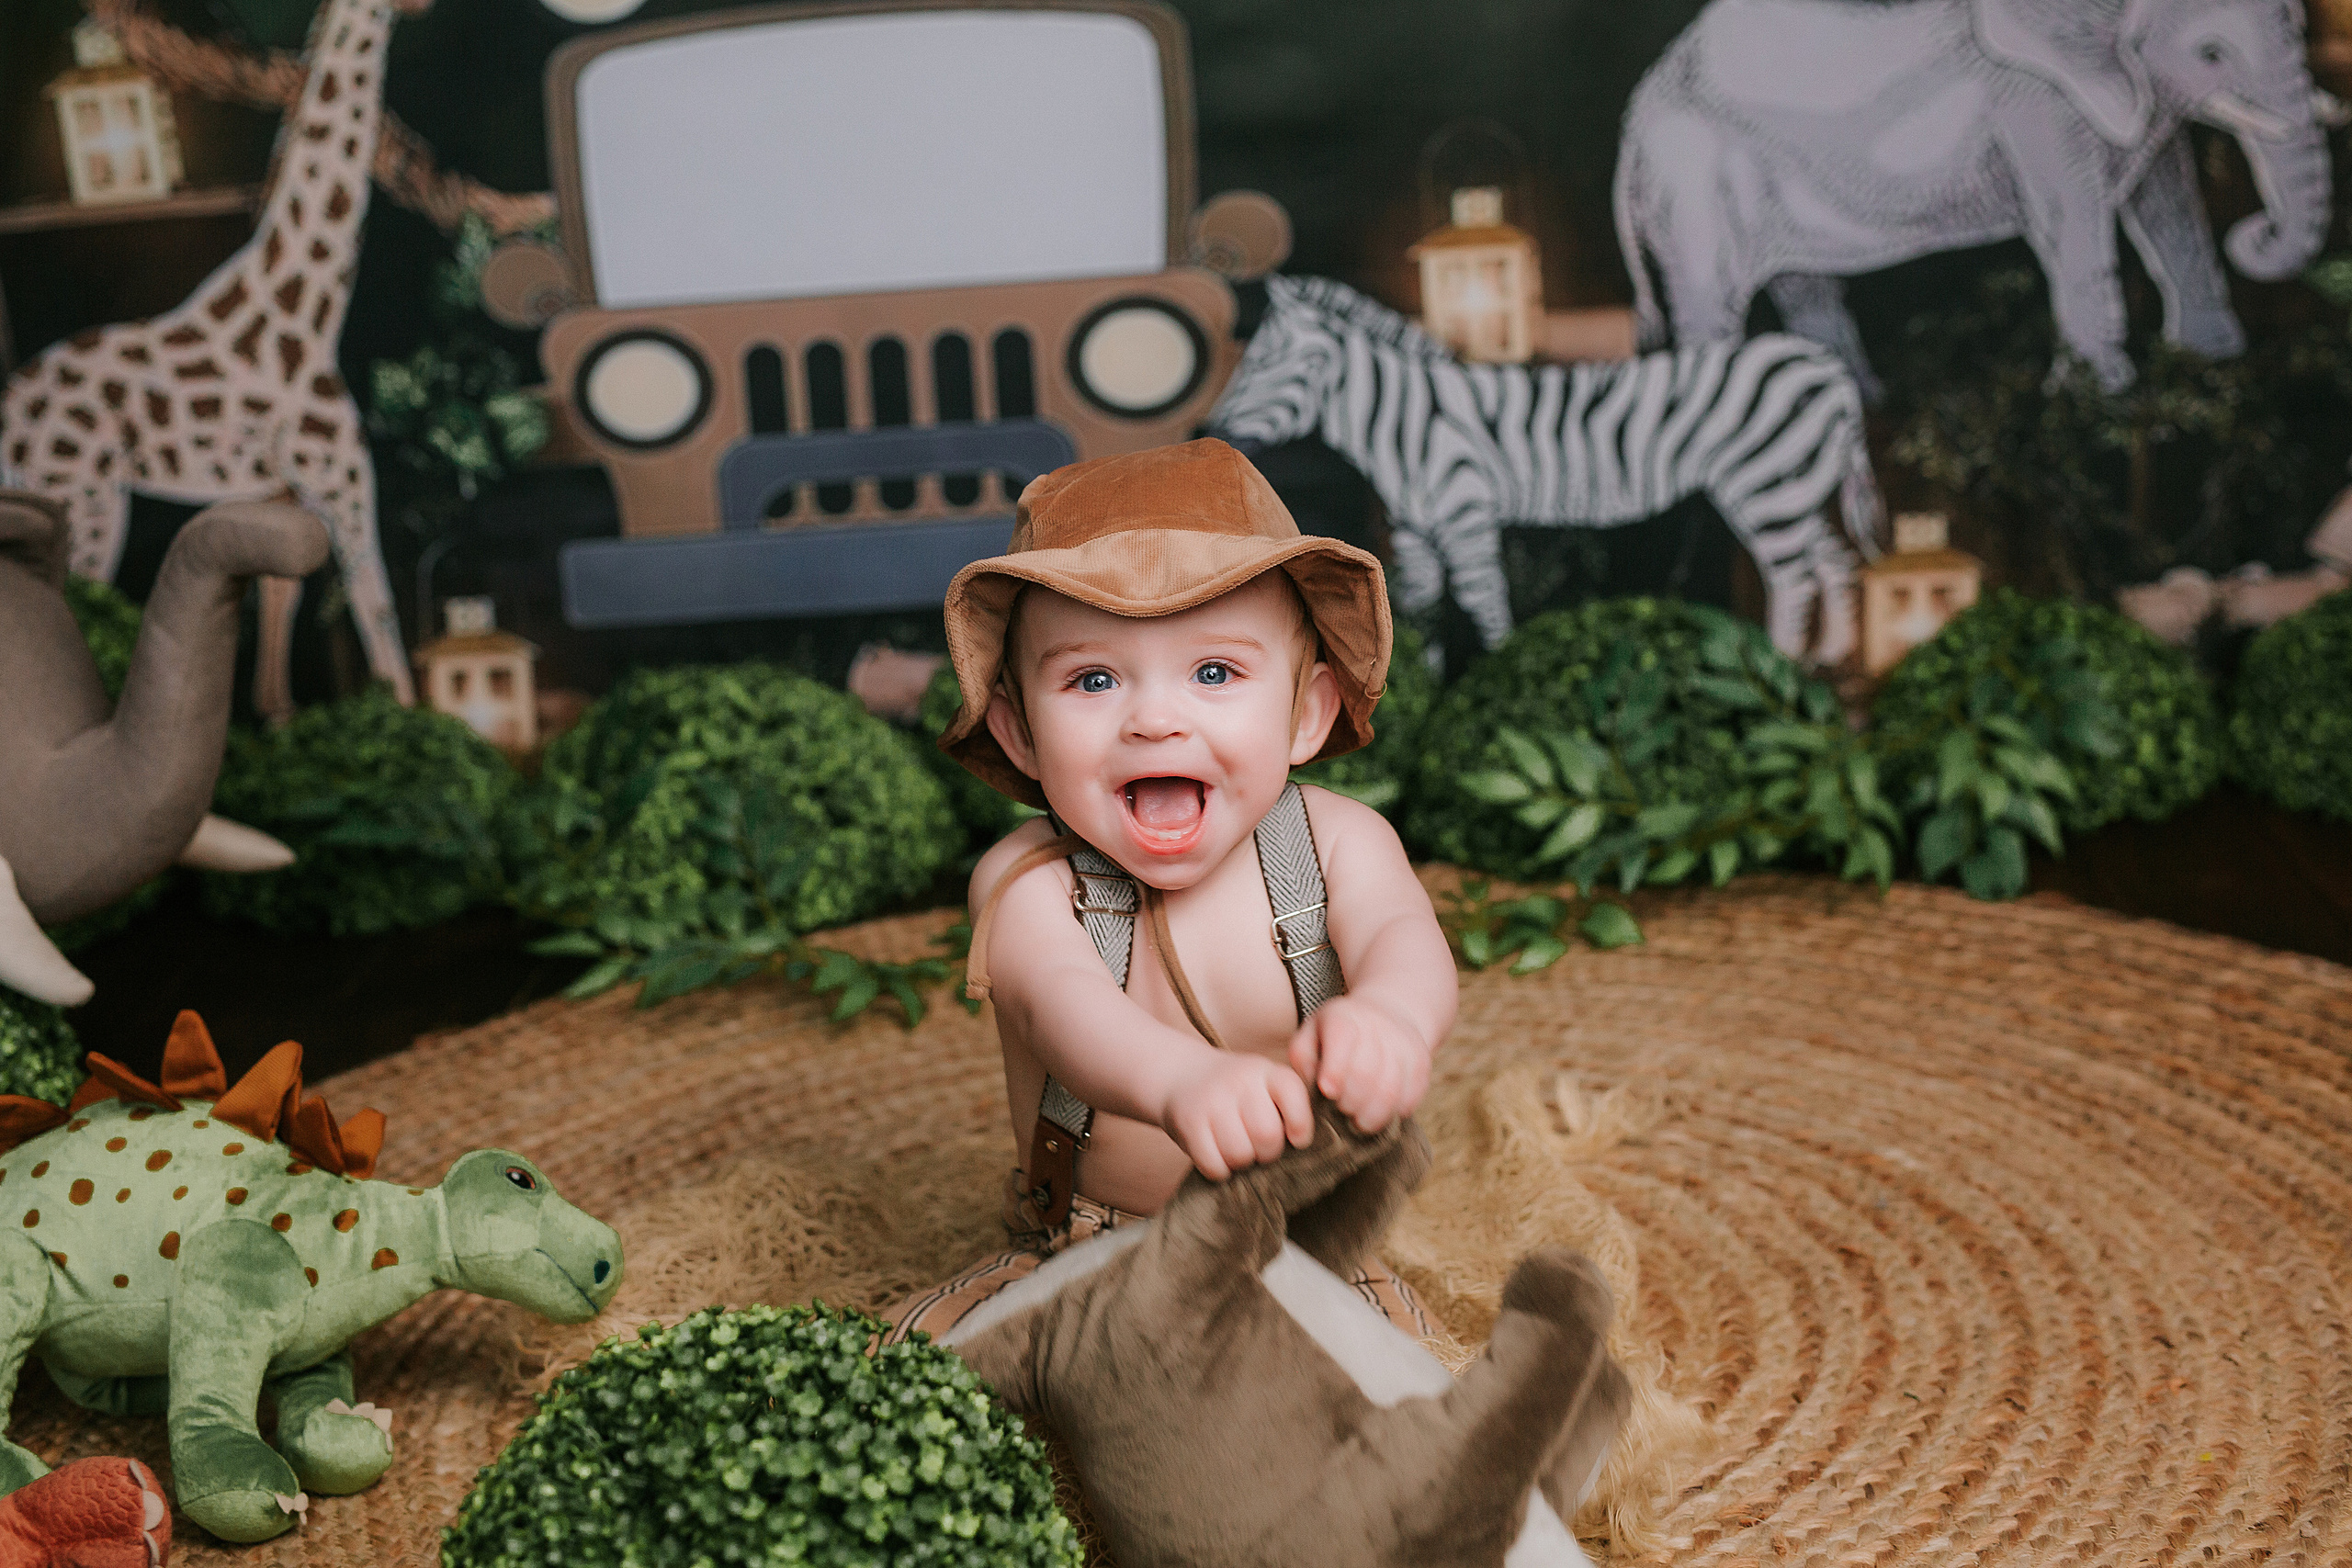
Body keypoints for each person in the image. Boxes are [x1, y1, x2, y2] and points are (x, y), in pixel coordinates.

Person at [888, 437, 1458, 1343]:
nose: (1154, 719)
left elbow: (1404, 939)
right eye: (1094, 679)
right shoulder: (1028, 881)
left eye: (1214, 672)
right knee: (931, 1377)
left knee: (1383, 1403)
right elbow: (1065, 1010)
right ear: (1021, 734)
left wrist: (1392, 1016)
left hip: (1304, 1244)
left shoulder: (1339, 844)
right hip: (1091, 1246)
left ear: (1305, 714)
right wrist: (1180, 1082)